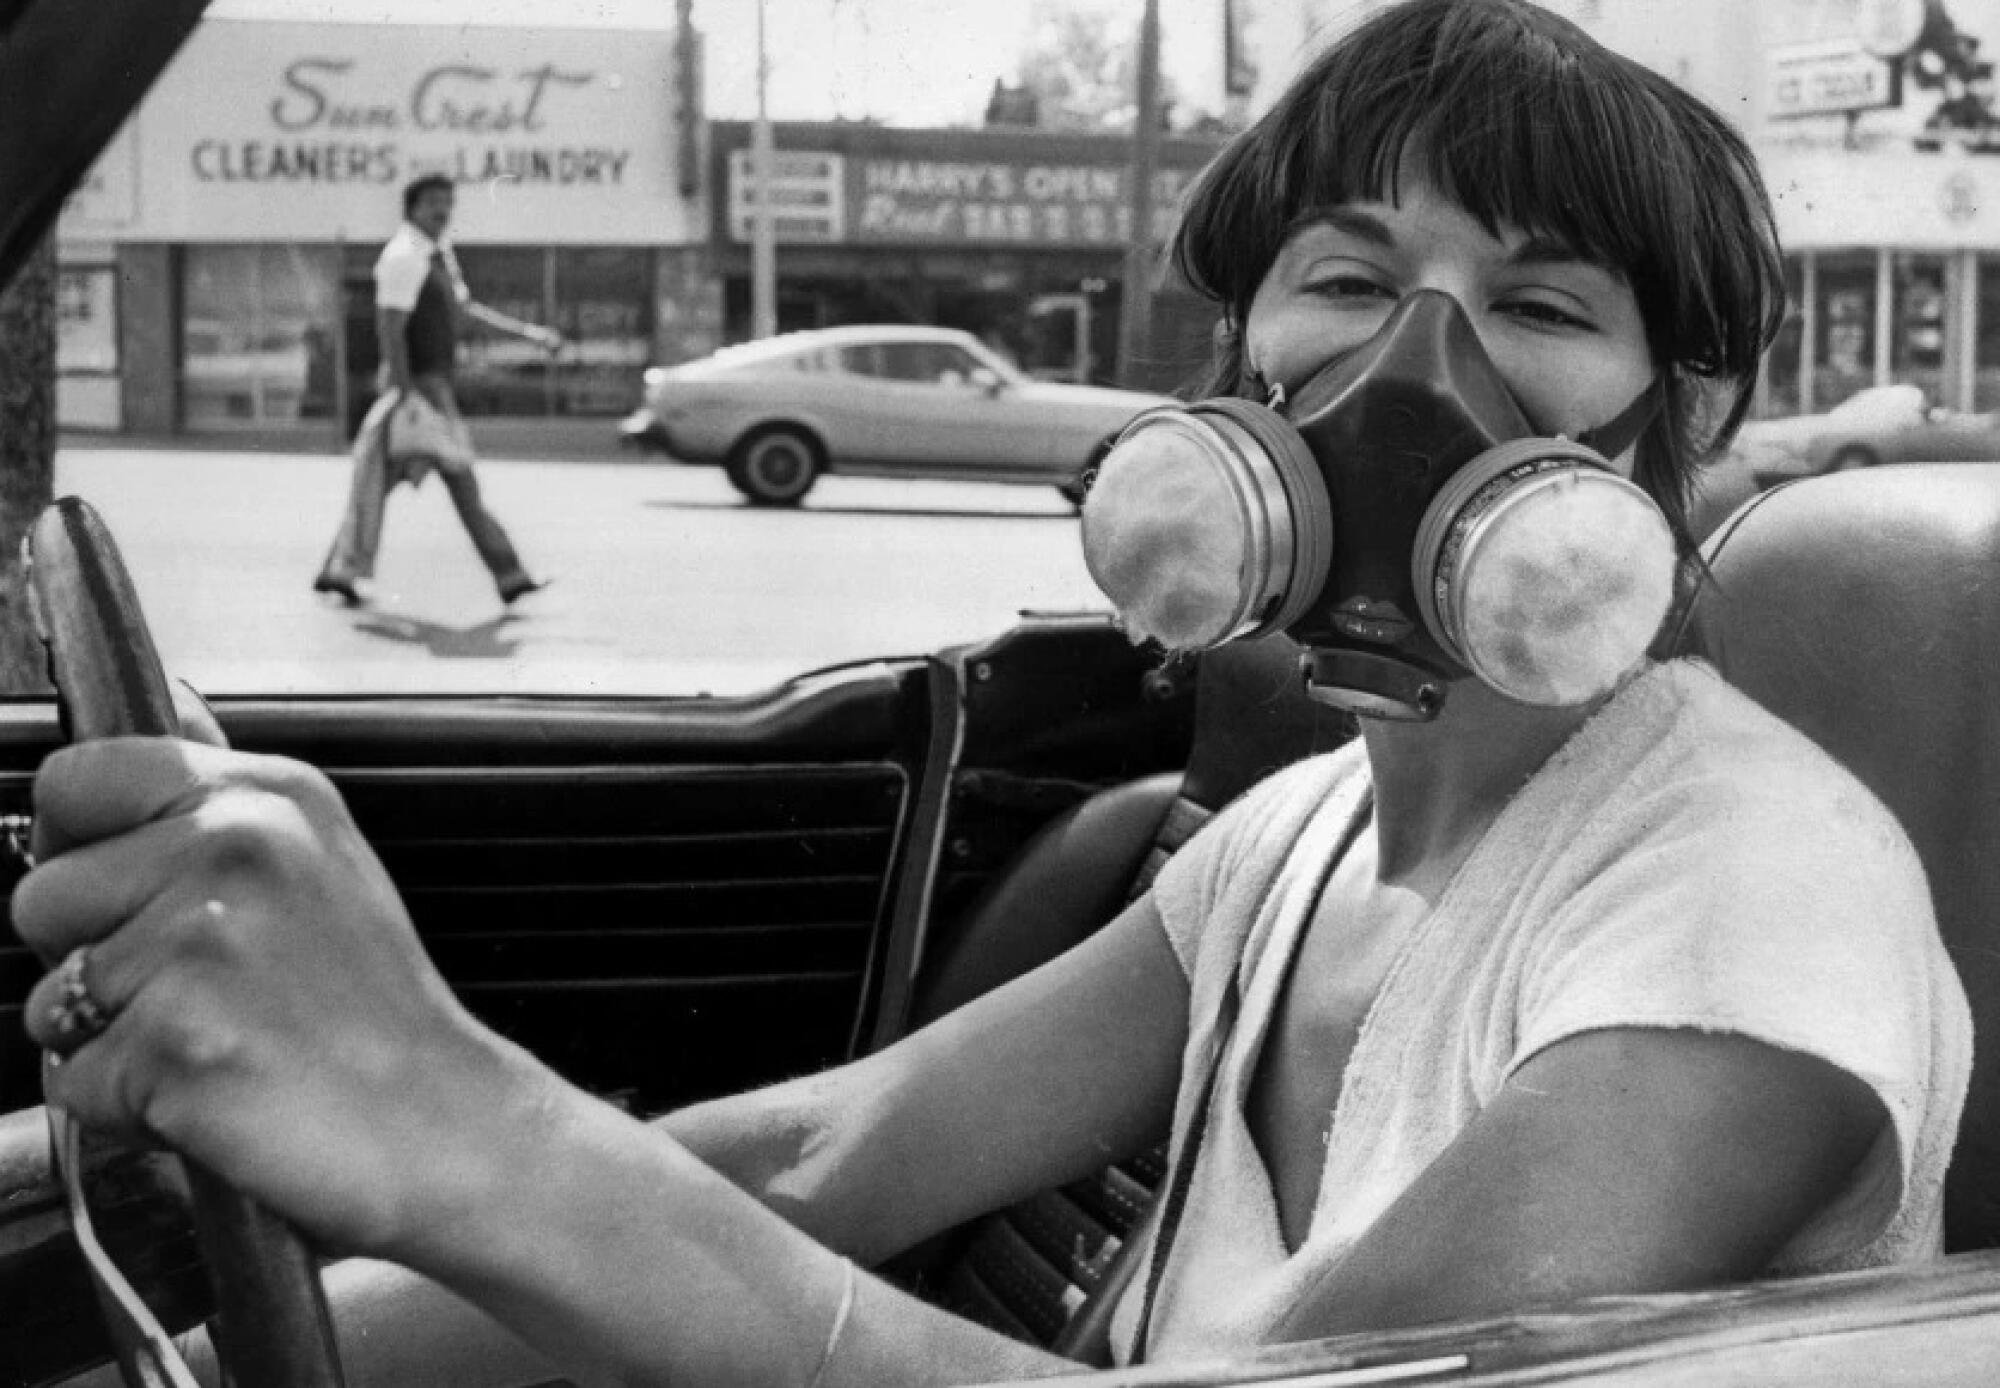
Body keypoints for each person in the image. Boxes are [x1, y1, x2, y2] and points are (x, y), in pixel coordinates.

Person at [15, 3, 1973, 1385]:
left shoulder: (1751, 908)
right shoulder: (1296, 838)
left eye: (1539, 308)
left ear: (1679, 420)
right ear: (1242, 369)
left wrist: (472, 1131)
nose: (1414, 367)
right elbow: (825, 1158)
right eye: (1348, 280)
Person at [314, 173, 563, 607]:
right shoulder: (403, 257)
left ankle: (339, 571)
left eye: (447, 201)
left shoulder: (438, 257)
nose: (442, 210)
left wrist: (530, 335)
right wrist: (406, 395)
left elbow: (465, 313)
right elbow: (390, 329)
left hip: (430, 390)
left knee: (381, 484)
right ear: (412, 207)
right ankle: (509, 575)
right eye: (432, 202)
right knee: (444, 483)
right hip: (419, 392)